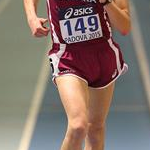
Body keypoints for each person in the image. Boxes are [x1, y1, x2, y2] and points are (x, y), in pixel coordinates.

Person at [24, 0, 131, 150]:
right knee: (78, 126)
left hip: (102, 56)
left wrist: (106, 3)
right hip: (68, 56)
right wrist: (31, 17)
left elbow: (125, 26)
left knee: (96, 129)